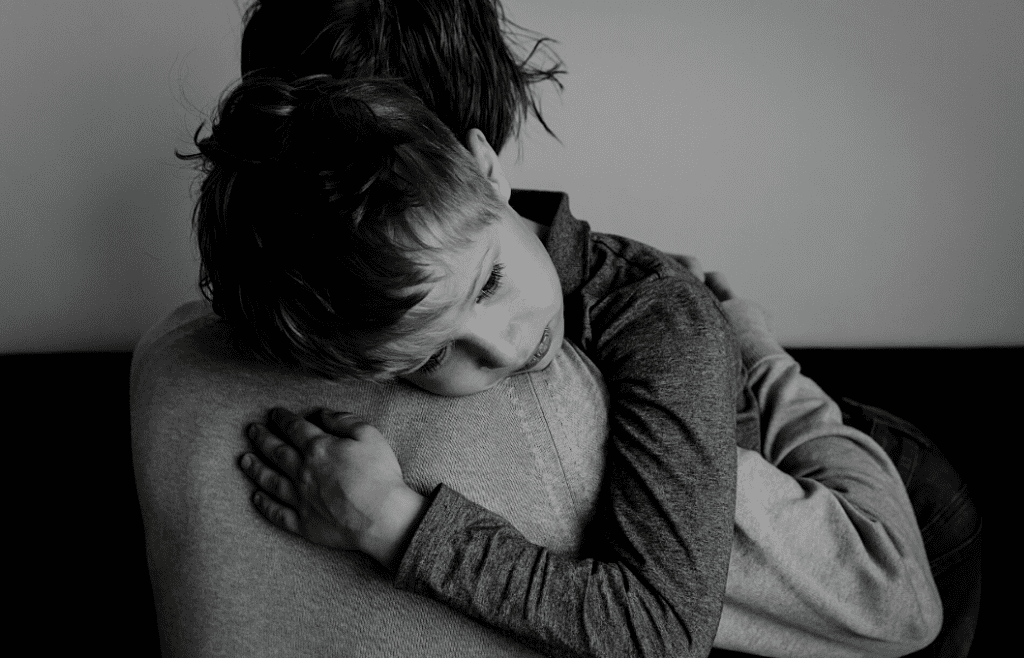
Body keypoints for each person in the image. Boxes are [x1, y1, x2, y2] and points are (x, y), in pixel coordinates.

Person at [149, 1, 975, 656]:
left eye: (492, 282)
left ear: (481, 165)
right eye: (435, 353)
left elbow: (662, 626)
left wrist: (398, 526)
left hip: (888, 480)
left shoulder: (656, 317)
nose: (507, 349)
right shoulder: (349, 300)